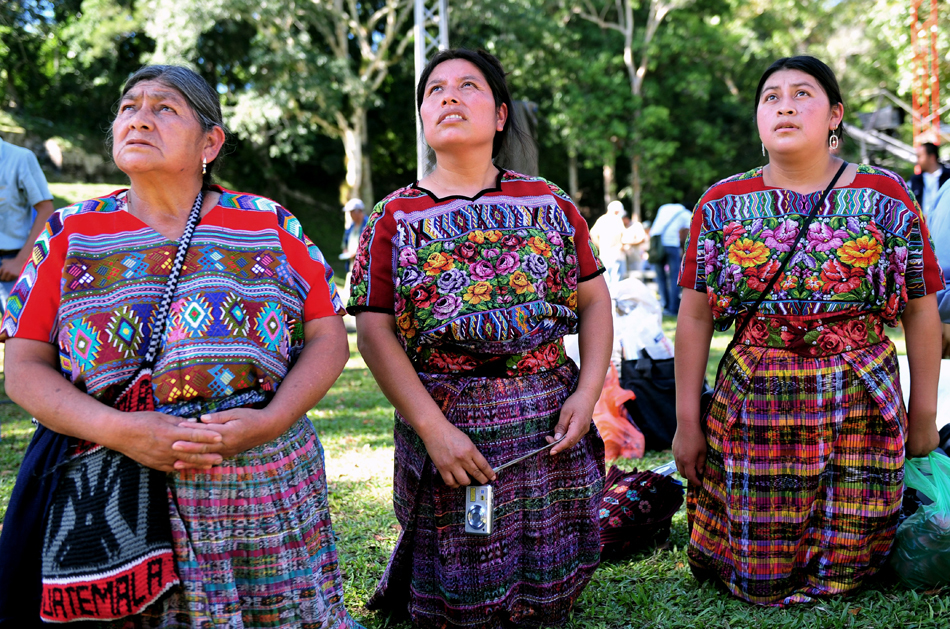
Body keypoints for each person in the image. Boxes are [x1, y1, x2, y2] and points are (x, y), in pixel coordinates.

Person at [0, 65, 363, 628]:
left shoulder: (270, 226)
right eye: (129, 107)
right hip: (115, 483)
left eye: (164, 108)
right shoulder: (71, 234)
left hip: (261, 484)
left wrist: (270, 422)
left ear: (210, 142)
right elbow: (23, 367)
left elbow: (327, 336)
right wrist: (121, 431)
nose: (139, 119)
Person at [347, 48, 611, 628]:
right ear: (422, 117)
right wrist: (434, 430)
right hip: (446, 412)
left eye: (468, 86)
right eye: (435, 89)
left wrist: (586, 395)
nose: (449, 96)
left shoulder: (551, 202)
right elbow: (373, 332)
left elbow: (593, 301)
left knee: (551, 568)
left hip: (546, 410)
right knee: (460, 579)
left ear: (499, 115)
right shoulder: (392, 217)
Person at [674, 55, 943, 606]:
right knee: (754, 568)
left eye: (802, 94)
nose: (785, 106)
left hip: (859, 396)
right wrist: (685, 424)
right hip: (756, 399)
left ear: (835, 115)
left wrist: (923, 418)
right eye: (770, 97)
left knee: (852, 557)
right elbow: (696, 313)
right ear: (757, 119)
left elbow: (920, 309)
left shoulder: (887, 196)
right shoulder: (721, 203)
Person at [0, 137, 54, 312]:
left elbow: (46, 211)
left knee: (17, 331)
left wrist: (21, 261)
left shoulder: (20, 158)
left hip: (9, 264)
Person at [650, 202, 691, 314]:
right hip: (671, 244)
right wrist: (684, 251)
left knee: (661, 277)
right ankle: (673, 308)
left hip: (656, 243)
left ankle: (665, 306)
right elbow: (687, 234)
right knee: (675, 277)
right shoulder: (685, 213)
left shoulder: (663, 208)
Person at [909, 142, 950, 222]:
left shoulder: (948, 177)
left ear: (931, 157)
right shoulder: (915, 181)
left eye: (919, 157)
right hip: (922, 227)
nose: (917, 161)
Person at [590, 199, 628, 285]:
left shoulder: (601, 219)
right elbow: (624, 237)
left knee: (606, 281)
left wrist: (600, 247)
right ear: (617, 211)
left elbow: (592, 235)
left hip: (604, 255)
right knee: (616, 282)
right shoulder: (617, 220)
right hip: (616, 255)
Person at [340, 196, 368, 275]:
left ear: (358, 211)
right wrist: (345, 249)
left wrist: (357, 253)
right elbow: (345, 240)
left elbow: (369, 244)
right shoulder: (352, 225)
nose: (350, 215)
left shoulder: (368, 225)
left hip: (363, 265)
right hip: (352, 264)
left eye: (351, 212)